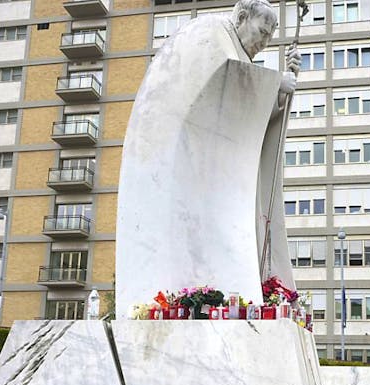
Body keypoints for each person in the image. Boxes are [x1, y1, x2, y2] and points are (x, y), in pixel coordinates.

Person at [116, 0, 301, 312]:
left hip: (213, 173)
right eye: (261, 32)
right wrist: (274, 83)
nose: (264, 42)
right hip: (181, 169)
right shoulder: (207, 33)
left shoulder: (239, 51)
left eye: (270, 37)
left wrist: (280, 93)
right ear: (242, 17)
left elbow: (242, 117)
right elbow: (218, 78)